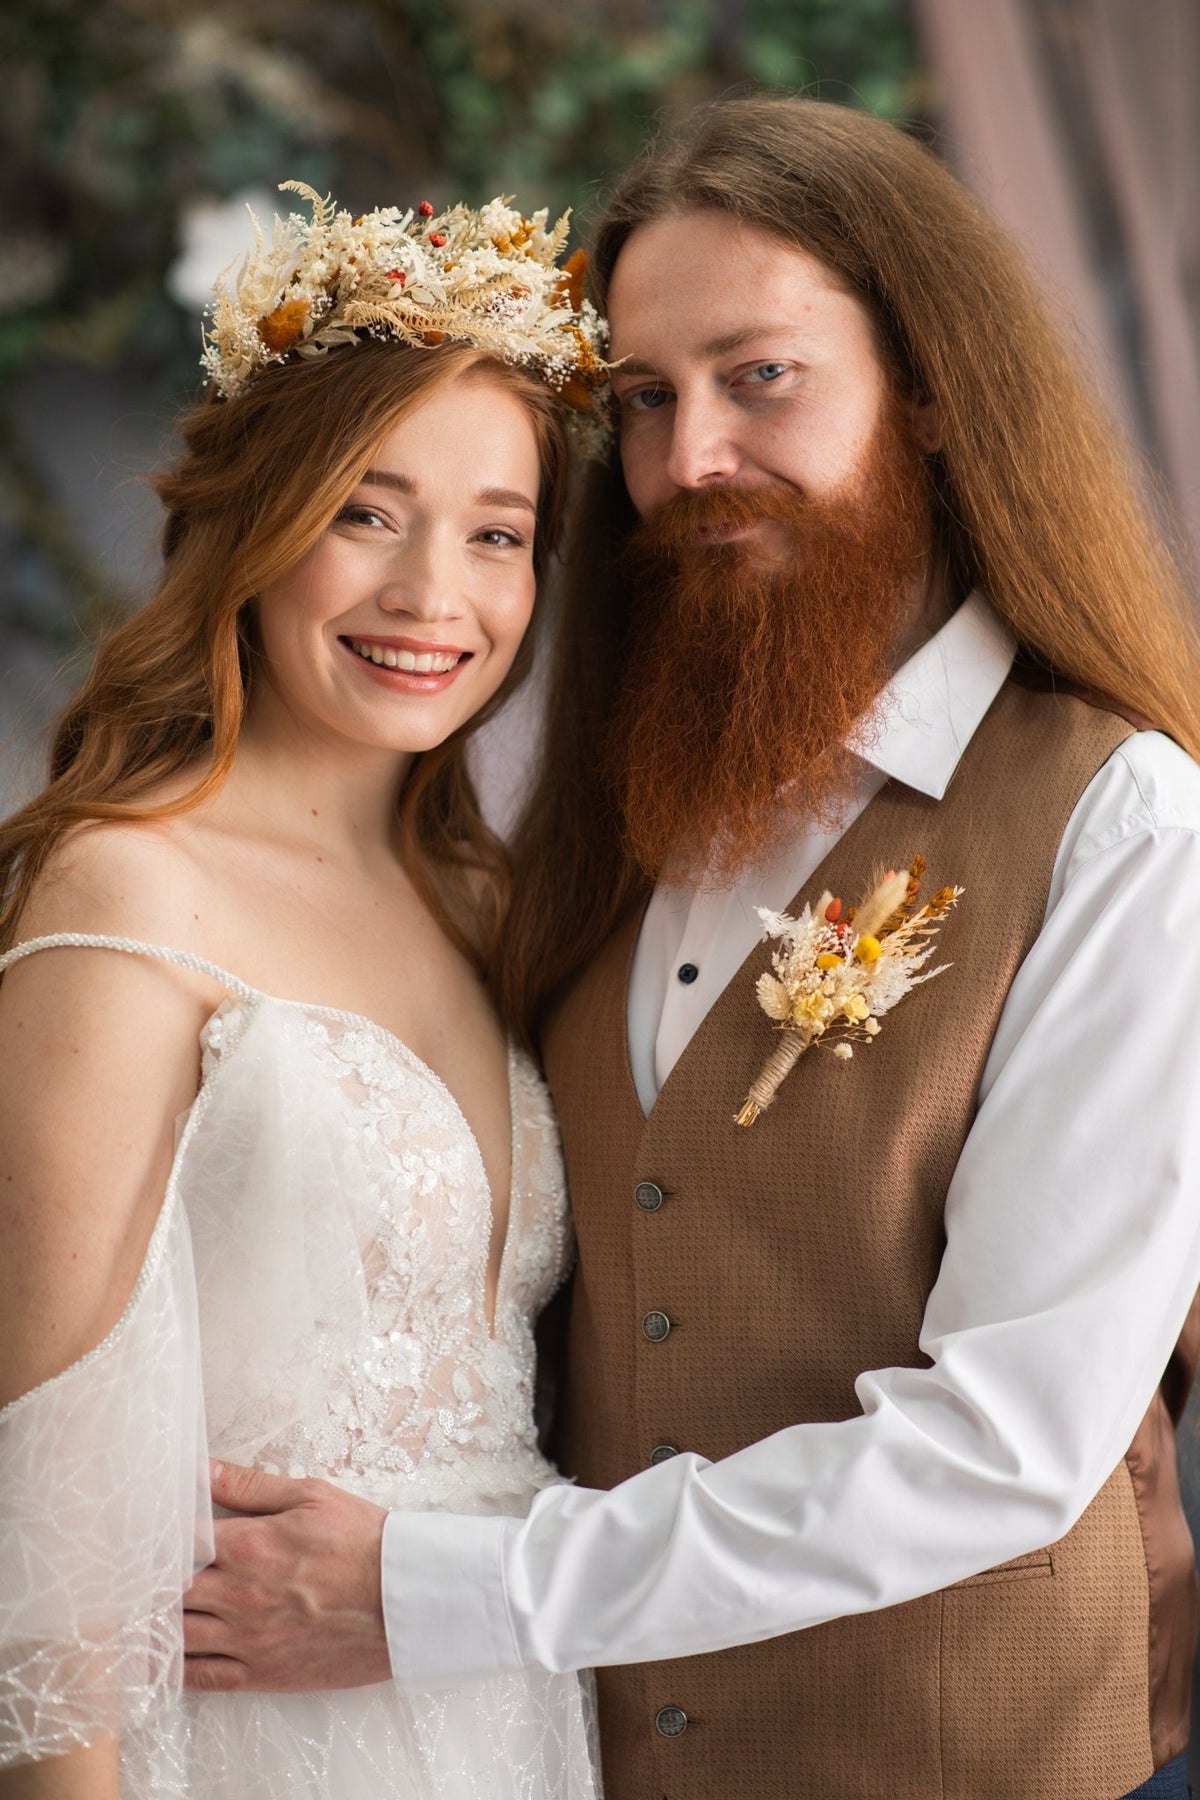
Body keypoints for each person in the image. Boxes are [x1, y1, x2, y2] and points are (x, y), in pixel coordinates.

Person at [167, 99, 1200, 1800]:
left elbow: (1010, 1441)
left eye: (759, 377)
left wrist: (433, 1595)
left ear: (933, 391)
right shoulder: (622, 788)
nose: (690, 458)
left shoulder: (1119, 816)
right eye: (644, 399)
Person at [0, 186, 608, 1798]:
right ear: (256, 528)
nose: (433, 596)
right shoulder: (127, 891)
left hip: (512, 1715)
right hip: (254, 1739)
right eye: (365, 512)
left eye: (496, 533)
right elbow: (38, 1472)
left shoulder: (490, 908)